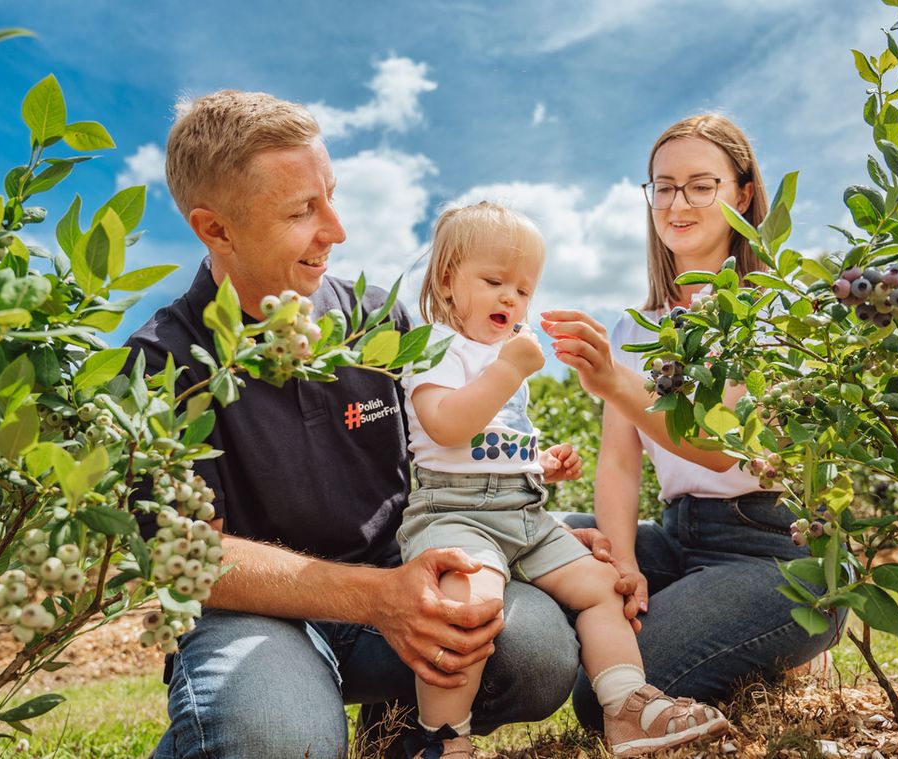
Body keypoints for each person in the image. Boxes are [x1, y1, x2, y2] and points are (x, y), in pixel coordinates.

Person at [126, 90, 612, 759]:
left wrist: (545, 530)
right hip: (258, 616)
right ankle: (244, 720)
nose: (338, 229)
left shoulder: (378, 321)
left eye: (332, 194)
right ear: (216, 229)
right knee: (276, 739)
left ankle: (402, 734)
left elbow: (444, 457)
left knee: (535, 652)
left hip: (402, 575)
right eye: (303, 210)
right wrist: (374, 596)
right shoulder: (161, 361)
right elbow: (189, 556)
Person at [541, 114, 843, 730]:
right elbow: (620, 465)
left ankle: (781, 648)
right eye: (664, 186)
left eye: (702, 186)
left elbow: (727, 451)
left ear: (743, 193)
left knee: (600, 704)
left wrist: (617, 383)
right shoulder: (634, 328)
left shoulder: (777, 309)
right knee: (540, 537)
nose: (678, 203)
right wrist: (622, 565)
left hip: (772, 550)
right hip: (679, 537)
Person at [399, 202, 730, 758]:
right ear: (448, 280)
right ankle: (444, 738)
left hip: (525, 512)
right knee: (467, 602)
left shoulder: (507, 355)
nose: (512, 298)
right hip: (453, 513)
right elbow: (446, 425)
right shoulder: (434, 346)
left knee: (602, 587)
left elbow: (490, 441)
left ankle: (627, 708)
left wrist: (538, 463)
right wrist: (510, 370)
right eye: (496, 281)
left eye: (525, 289)